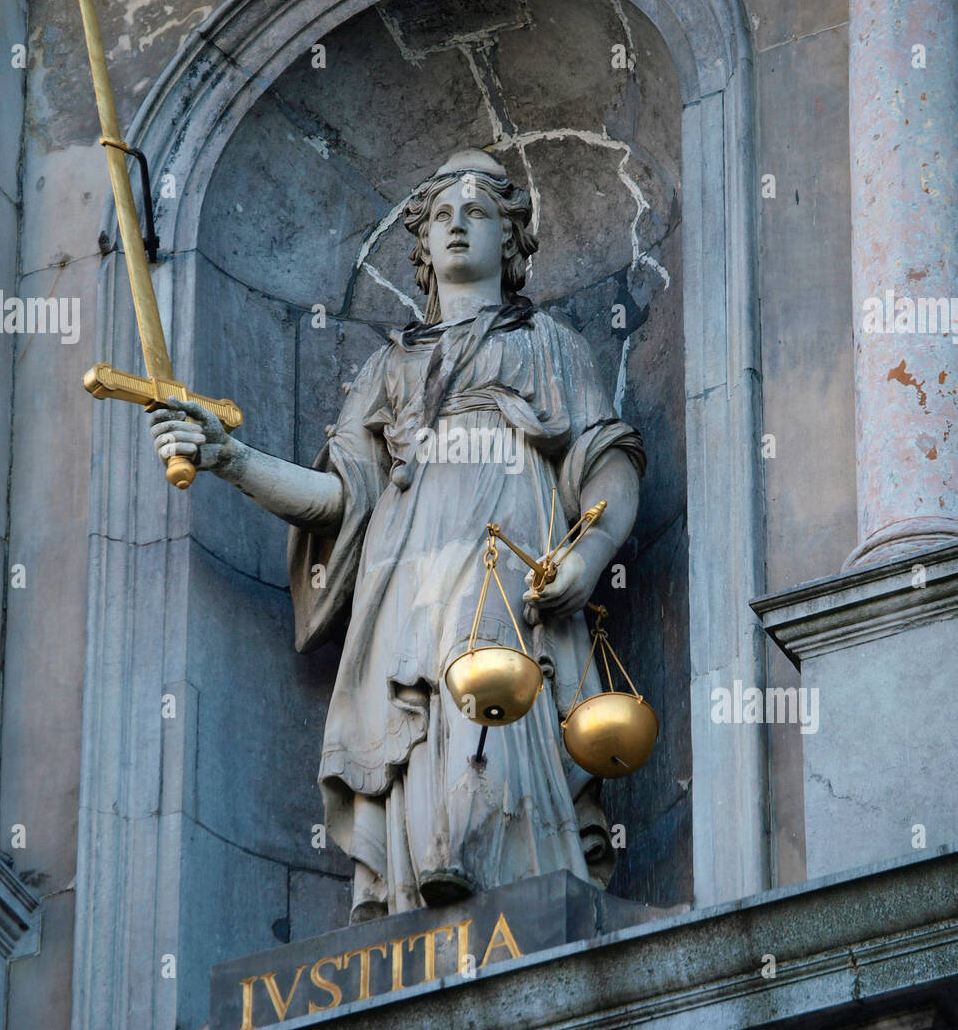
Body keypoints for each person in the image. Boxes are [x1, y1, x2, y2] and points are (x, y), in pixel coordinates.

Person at [148, 149, 646, 921]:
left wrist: (591, 553)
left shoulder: (546, 344)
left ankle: (493, 866)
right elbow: (339, 500)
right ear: (421, 246)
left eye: (475, 213)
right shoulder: (389, 368)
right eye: (441, 215)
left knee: (493, 686)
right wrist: (231, 458)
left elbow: (607, 461)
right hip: (406, 566)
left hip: (509, 553)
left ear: (509, 242)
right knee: (423, 711)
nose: (455, 226)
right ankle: (425, 880)